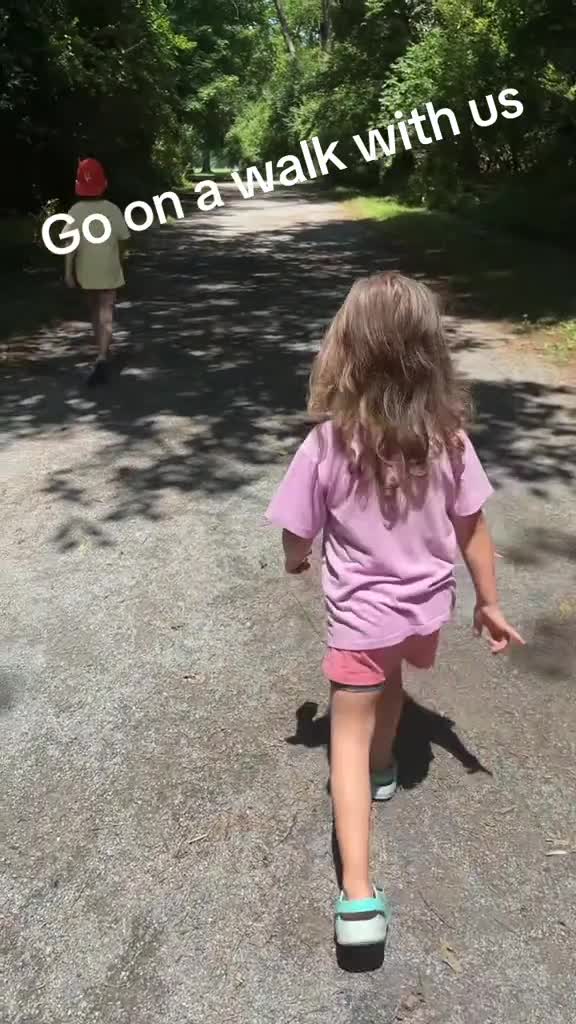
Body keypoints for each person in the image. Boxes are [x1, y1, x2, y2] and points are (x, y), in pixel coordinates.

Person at [266, 272, 524, 949]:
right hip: (423, 614)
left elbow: (296, 532)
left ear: (345, 351)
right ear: (429, 355)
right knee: (394, 681)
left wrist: (296, 558)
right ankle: (385, 766)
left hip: (361, 619)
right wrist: (490, 602)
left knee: (344, 741)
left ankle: (357, 898)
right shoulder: (449, 440)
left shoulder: (328, 444)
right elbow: (472, 527)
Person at [64, 158, 130, 386]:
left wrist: (68, 272)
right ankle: (102, 354)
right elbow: (124, 238)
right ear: (104, 183)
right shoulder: (112, 209)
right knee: (106, 309)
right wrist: (120, 258)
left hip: (86, 269)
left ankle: (100, 349)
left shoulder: (75, 211)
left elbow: (69, 245)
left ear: (78, 184)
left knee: (94, 308)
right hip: (109, 267)